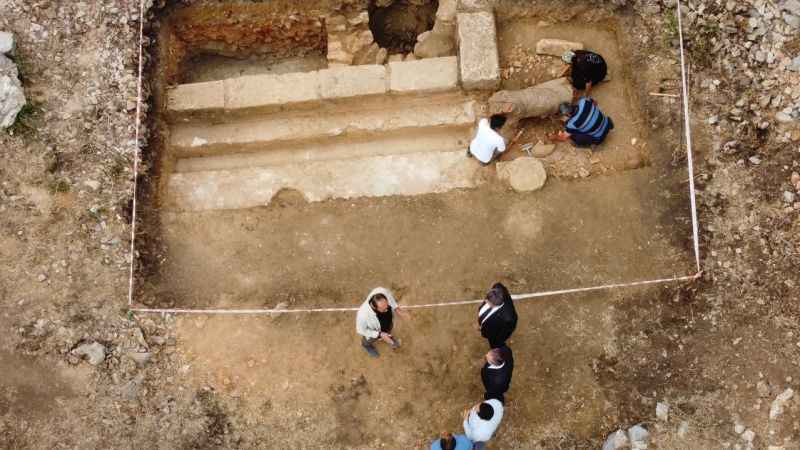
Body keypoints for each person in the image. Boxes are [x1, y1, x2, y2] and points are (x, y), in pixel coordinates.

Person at [355, 287, 409, 358]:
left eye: (387, 306)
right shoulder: (362, 315)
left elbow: (390, 298)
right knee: (367, 341)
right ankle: (367, 346)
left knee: (389, 330)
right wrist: (379, 334)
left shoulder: (381, 291)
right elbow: (360, 330)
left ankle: (390, 339)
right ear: (375, 307)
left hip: (386, 324)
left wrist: (396, 309)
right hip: (375, 331)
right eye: (383, 309)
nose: (387, 309)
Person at [549, 91, 614, 148]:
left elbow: (563, 138)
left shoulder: (572, 124)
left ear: (567, 114)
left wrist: (554, 137)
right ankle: (607, 124)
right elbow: (595, 103)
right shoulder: (584, 101)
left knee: (574, 137)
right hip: (607, 123)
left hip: (600, 137)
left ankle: (590, 144)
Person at [477, 283, 518, 349]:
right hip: (487, 326)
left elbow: (503, 334)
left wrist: (485, 333)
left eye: (488, 302)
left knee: (495, 344)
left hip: (494, 335)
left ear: (495, 305)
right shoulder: (498, 287)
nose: (486, 301)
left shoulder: (508, 318)